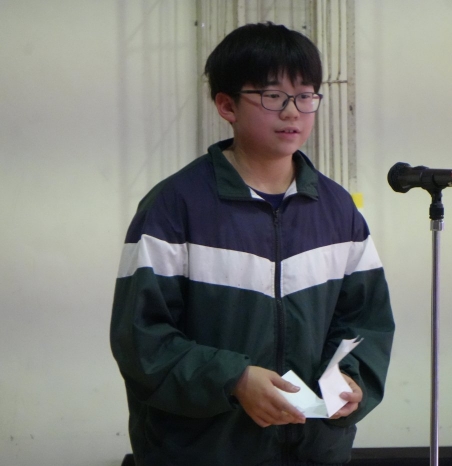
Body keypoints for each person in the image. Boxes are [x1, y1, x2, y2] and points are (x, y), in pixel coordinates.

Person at [110, 22, 395, 466]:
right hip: (203, 452)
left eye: (305, 96)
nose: (292, 112)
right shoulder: (174, 208)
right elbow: (141, 340)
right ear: (227, 105)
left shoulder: (337, 210)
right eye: (273, 96)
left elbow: (366, 323)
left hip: (313, 451)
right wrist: (234, 379)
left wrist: (352, 379)